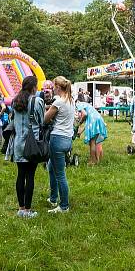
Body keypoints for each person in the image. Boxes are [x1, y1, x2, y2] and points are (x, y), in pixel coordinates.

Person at [9, 76, 44, 218]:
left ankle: (21, 208)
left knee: (20, 175)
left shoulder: (15, 101)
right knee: (30, 176)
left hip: (18, 142)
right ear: (34, 87)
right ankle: (28, 210)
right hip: (32, 144)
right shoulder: (37, 101)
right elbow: (41, 121)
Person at [44, 76, 75, 213]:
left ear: (57, 87)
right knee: (51, 167)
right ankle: (53, 198)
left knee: (60, 175)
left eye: (53, 86)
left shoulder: (59, 102)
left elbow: (45, 119)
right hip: (67, 139)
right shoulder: (70, 100)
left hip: (57, 138)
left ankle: (64, 206)